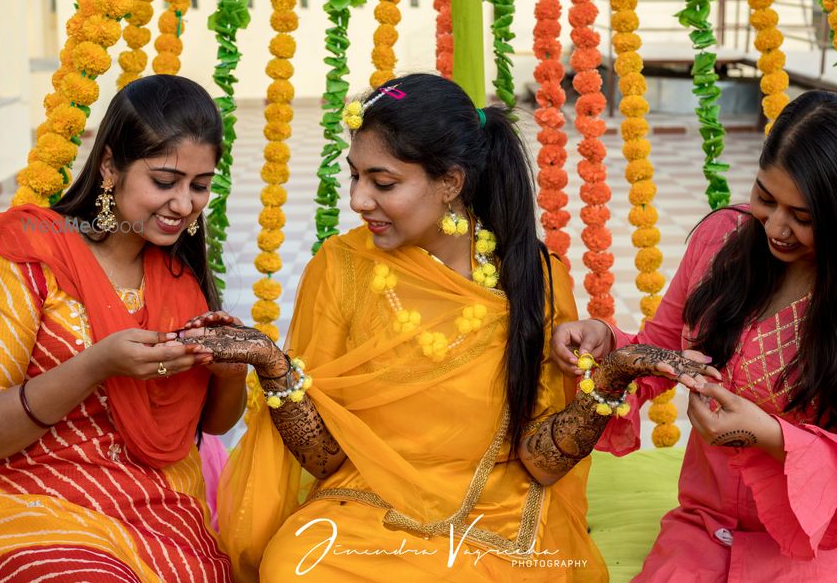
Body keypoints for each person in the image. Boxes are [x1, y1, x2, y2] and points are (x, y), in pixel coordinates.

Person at [185, 73, 697, 582]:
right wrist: (275, 369)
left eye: (383, 183)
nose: (360, 200)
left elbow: (541, 463)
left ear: (451, 182)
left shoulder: (531, 277)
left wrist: (609, 380)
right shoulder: (339, 266)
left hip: (495, 517)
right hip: (366, 504)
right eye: (355, 176)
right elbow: (326, 459)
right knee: (293, 568)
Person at [552, 90, 837, 581]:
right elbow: (664, 347)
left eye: (802, 217)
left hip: (834, 538)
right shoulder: (722, 241)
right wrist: (608, 344)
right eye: (765, 197)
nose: (776, 227)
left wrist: (774, 438)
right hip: (713, 523)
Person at [0, 75, 246, 581]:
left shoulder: (177, 277)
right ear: (110, 165)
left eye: (200, 185)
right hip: (33, 507)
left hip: (161, 513)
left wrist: (231, 372)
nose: (184, 204)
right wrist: (96, 364)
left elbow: (207, 426)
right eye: (165, 181)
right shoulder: (22, 258)